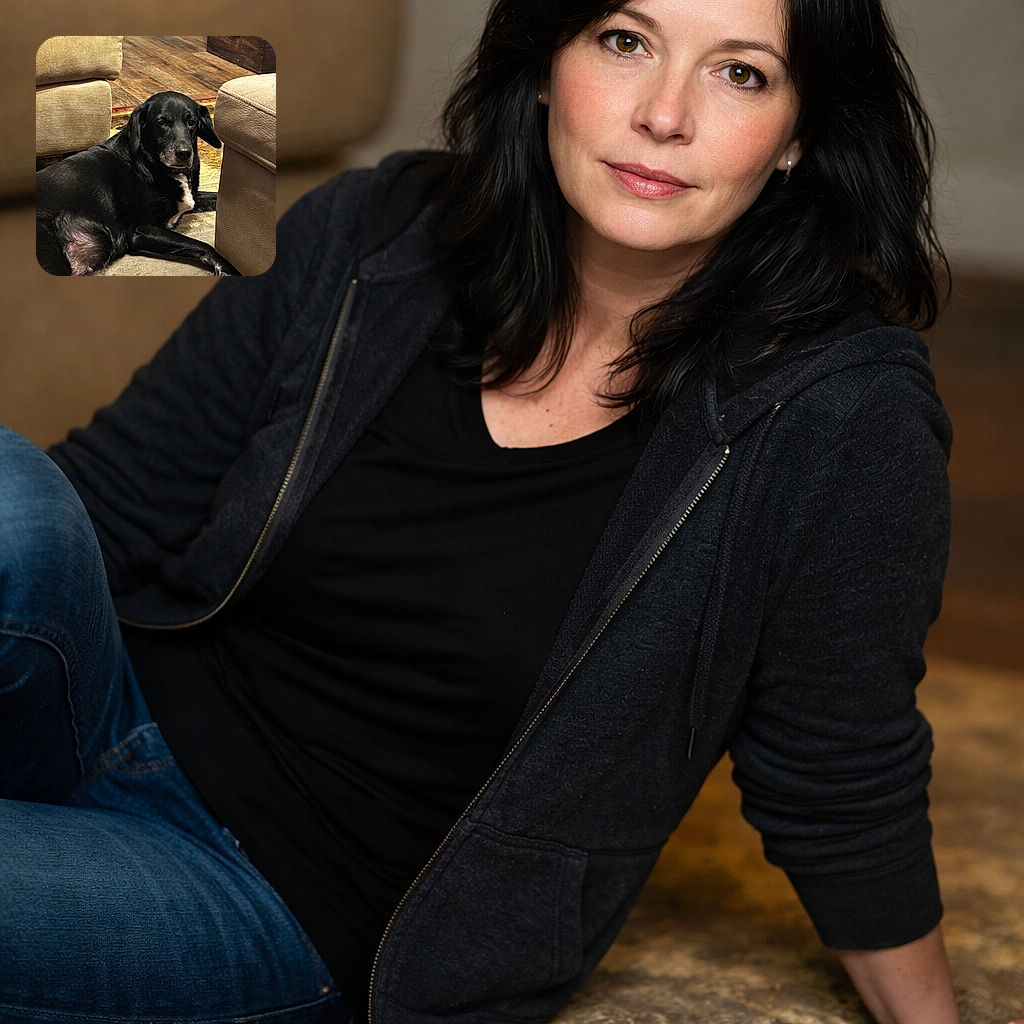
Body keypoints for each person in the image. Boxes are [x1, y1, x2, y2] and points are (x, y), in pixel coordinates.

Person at [0, 0, 1005, 1022]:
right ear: (540, 68)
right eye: (624, 41)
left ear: (796, 135)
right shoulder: (372, 229)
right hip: (114, 709)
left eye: (739, 73)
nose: (663, 114)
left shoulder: (841, 413)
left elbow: (838, 782)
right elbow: (103, 503)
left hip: (275, 897)